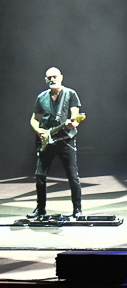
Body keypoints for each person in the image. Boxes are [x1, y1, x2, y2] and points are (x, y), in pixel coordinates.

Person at [29, 67, 84, 218]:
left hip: (65, 140)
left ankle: (77, 209)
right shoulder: (42, 97)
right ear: (45, 80)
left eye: (55, 76)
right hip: (47, 141)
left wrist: (74, 123)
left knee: (73, 176)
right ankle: (40, 209)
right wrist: (39, 131)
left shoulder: (70, 94)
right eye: (49, 77)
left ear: (61, 77)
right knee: (40, 175)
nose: (52, 79)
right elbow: (34, 119)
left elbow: (75, 116)